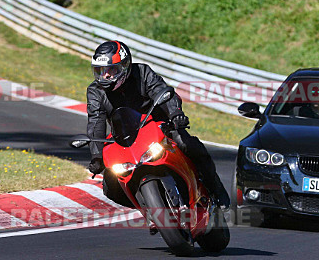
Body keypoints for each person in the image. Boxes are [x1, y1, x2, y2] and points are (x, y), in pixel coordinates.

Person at [85, 40, 230, 208]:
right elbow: (95, 121)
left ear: (125, 66)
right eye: (101, 71)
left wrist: (176, 115)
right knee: (110, 186)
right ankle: (149, 209)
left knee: (189, 144)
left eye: (111, 70)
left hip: (159, 126)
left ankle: (217, 191)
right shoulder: (95, 91)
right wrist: (96, 156)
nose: (106, 76)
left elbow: (162, 91)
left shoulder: (142, 72)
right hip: (126, 137)